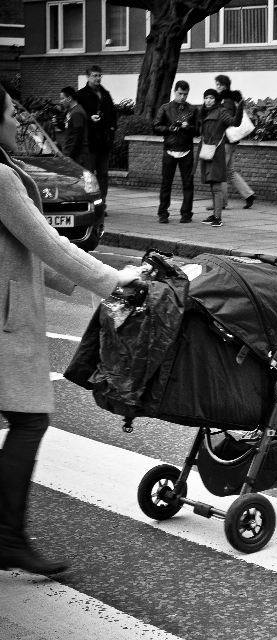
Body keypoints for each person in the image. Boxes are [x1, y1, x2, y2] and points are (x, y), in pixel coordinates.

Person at [0, 83, 140, 575]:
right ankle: (7, 538)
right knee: (30, 419)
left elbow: (34, 251)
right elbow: (49, 244)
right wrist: (114, 280)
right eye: (12, 115)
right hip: (5, 325)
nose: (18, 123)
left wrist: (91, 285)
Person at [152, 80, 198, 224]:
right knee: (166, 184)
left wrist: (188, 127)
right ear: (175, 92)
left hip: (186, 151)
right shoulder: (165, 108)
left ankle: (186, 213)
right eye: (180, 94)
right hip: (170, 150)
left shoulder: (193, 109)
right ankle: (163, 213)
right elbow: (155, 126)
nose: (182, 97)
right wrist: (169, 129)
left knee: (188, 184)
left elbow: (198, 130)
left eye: (185, 94)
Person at [75, 65, 117, 208]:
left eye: (99, 75)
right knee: (88, 175)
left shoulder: (105, 94)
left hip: (104, 142)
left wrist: (112, 130)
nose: (98, 78)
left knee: (103, 175)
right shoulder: (80, 95)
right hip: (90, 142)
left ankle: (101, 204)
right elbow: (76, 116)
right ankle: (89, 203)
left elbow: (113, 113)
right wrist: (89, 119)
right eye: (94, 75)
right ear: (87, 77)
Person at [213, 75, 255, 210]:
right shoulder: (230, 99)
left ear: (225, 86)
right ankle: (248, 195)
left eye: (219, 84)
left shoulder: (226, 101)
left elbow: (227, 119)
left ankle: (222, 202)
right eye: (216, 84)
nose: (217, 87)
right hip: (231, 141)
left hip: (226, 140)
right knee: (229, 172)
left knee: (221, 172)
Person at [198, 89, 234, 228]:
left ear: (216, 100)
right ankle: (215, 213)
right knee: (213, 185)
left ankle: (218, 217)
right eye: (206, 97)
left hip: (217, 151)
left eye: (211, 98)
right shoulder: (204, 112)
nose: (208, 100)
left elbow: (232, 122)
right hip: (208, 151)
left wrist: (240, 108)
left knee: (217, 185)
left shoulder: (221, 111)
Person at [58, 86, 91, 170]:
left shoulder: (77, 113)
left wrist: (71, 156)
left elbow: (78, 135)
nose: (60, 101)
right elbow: (69, 129)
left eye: (62, 98)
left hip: (78, 154)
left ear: (69, 98)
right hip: (72, 152)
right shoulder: (71, 111)